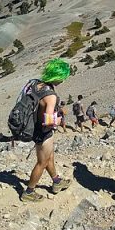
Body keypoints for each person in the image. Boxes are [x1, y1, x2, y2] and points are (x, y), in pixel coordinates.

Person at [20, 59, 73, 202]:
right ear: (57, 76)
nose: (63, 80)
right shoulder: (51, 95)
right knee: (42, 162)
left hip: (34, 127)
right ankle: (29, 192)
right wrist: (59, 120)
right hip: (43, 132)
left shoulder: (35, 84)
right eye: (63, 77)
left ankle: (56, 182)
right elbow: (48, 121)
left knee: (49, 157)